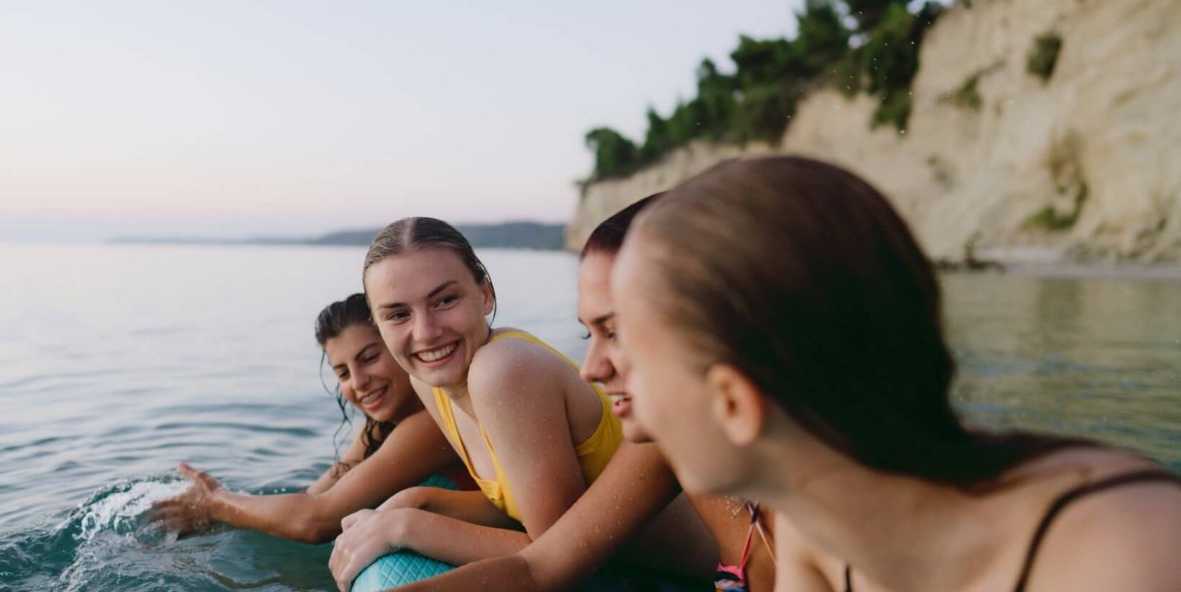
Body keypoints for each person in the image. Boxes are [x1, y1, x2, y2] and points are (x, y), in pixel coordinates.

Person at [610, 155, 1181, 591]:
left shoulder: (1131, 556)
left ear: (734, 402)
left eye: (635, 354)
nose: (609, 375)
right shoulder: (821, 529)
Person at [388, 197, 776, 592]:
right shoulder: (662, 442)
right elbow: (539, 568)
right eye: (589, 335)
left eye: (615, 333)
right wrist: (414, 508)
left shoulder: (817, 507)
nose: (590, 368)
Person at [150, 294, 469, 544]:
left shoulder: (433, 422)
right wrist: (225, 506)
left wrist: (217, 505)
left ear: (399, 345)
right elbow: (312, 498)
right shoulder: (378, 428)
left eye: (369, 358)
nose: (358, 382)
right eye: (342, 372)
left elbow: (317, 521)